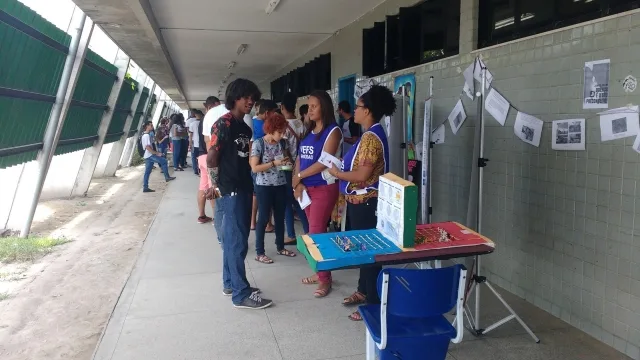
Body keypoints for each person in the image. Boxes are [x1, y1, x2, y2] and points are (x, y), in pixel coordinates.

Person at [329, 85, 395, 321]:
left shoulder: (370, 138)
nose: (354, 110)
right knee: (364, 252)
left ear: (367, 111)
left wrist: (337, 174)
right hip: (361, 204)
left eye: (357, 107)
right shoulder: (370, 134)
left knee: (370, 255)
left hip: (367, 204)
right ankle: (362, 290)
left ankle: (373, 305)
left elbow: (362, 176)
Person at [206, 78, 271, 309]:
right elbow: (212, 157)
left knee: (233, 240)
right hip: (230, 190)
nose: (250, 101)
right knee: (236, 242)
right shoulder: (223, 124)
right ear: (234, 98)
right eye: (246, 97)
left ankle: (230, 284)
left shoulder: (244, 126)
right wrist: (215, 186)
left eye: (252, 97)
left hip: (242, 187)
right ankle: (241, 294)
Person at [293, 90, 343, 298]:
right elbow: (299, 158)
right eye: (309, 106)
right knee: (313, 233)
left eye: (314, 106)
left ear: (324, 107)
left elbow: (324, 161)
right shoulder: (308, 131)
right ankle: (320, 271)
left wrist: (300, 176)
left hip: (323, 188)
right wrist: (295, 182)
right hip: (305, 189)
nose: (310, 110)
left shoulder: (333, 131)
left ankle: (325, 279)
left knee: (316, 233)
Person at [250, 112, 297, 263]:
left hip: (280, 184)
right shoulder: (259, 144)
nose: (282, 135)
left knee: (279, 216)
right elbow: (254, 168)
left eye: (283, 132)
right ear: (270, 129)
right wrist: (273, 164)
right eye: (280, 132)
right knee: (263, 218)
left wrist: (286, 165)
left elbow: (286, 162)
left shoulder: (282, 143)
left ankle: (280, 246)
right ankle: (260, 251)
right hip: (264, 186)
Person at [280, 92, 309, 245]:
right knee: (299, 200)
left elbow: (283, 149)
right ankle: (308, 230)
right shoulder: (300, 124)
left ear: (282, 107)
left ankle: (290, 234)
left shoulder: (283, 126)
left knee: (287, 202)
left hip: (286, 167)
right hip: (301, 166)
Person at [250, 100, 278, 232]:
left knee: (256, 195)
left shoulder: (251, 122)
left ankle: (252, 222)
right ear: (267, 113)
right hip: (265, 168)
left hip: (254, 164)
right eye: (274, 113)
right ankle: (268, 223)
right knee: (267, 198)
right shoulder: (267, 126)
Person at [200, 97, 224, 236]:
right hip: (212, 161)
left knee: (208, 188)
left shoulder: (208, 117)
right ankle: (218, 222)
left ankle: (215, 220)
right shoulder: (213, 116)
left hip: (205, 159)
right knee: (216, 191)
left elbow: (206, 141)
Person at [141, 121, 175, 192]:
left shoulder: (146, 135)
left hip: (148, 155)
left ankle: (145, 187)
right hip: (150, 155)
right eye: (150, 125)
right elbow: (147, 147)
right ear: (147, 126)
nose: (152, 126)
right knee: (164, 161)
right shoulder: (146, 136)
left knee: (147, 172)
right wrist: (156, 153)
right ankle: (167, 177)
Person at [189, 110, 204, 175]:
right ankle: (201, 170)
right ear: (201, 115)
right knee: (201, 158)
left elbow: (191, 135)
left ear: (195, 115)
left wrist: (190, 143)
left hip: (194, 143)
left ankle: (195, 170)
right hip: (202, 144)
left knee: (194, 157)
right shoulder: (203, 123)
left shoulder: (192, 124)